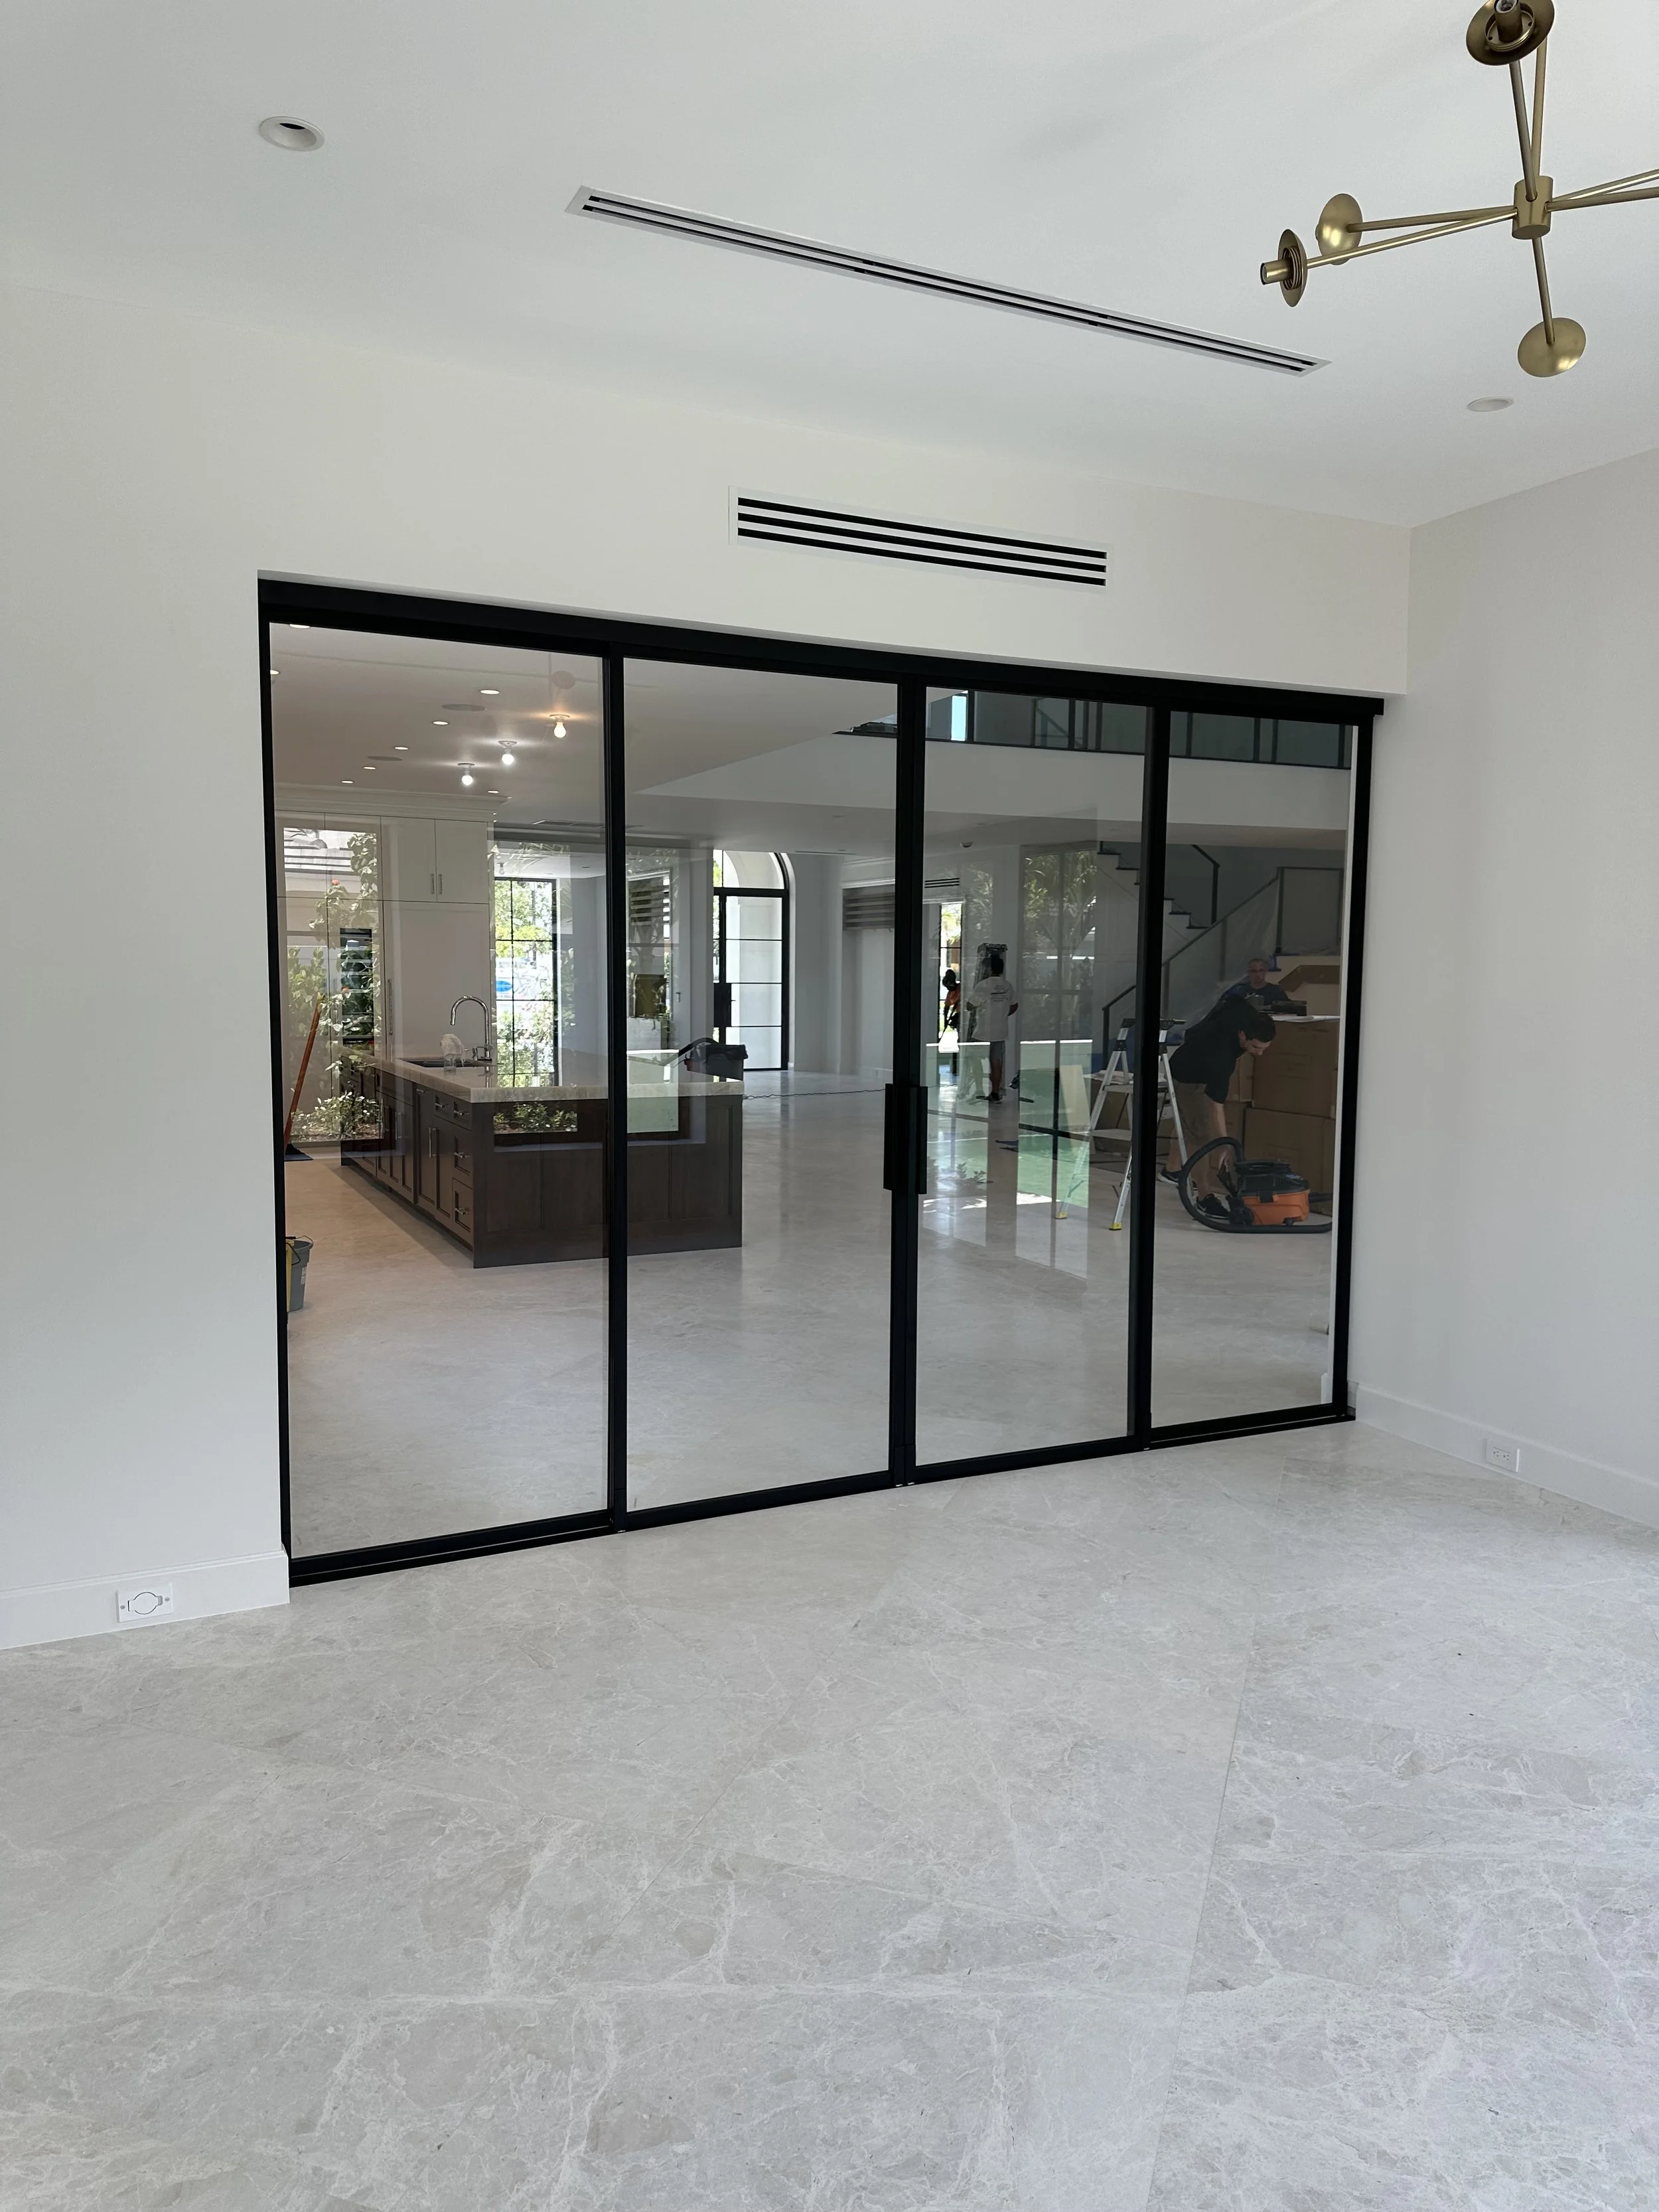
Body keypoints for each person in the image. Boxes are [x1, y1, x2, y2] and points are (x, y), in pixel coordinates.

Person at [1164, 996, 1276, 1218]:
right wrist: (1224, 1144)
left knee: (1190, 1125)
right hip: (1189, 1075)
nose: (1259, 1053)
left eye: (1265, 1049)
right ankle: (1204, 1198)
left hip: (1196, 1053)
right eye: (1255, 1047)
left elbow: (1232, 998)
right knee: (1201, 1137)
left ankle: (1171, 1170)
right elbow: (1216, 1105)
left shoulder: (1247, 1015)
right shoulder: (1222, 1056)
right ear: (1242, 1035)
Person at [966, 951, 1018, 1102]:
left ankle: (979, 1089)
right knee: (996, 1061)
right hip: (1000, 1030)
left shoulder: (984, 985)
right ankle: (995, 1092)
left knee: (974, 1058)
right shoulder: (1007, 985)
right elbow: (1014, 1006)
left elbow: (970, 1005)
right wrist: (1001, 1015)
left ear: (988, 969)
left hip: (983, 1030)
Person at [1220, 955, 1293, 1011]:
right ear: (1249, 972)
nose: (1258, 975)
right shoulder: (1241, 992)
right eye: (1254, 971)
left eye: (1261, 971)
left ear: (1266, 971)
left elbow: (1289, 1009)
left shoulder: (1276, 991)